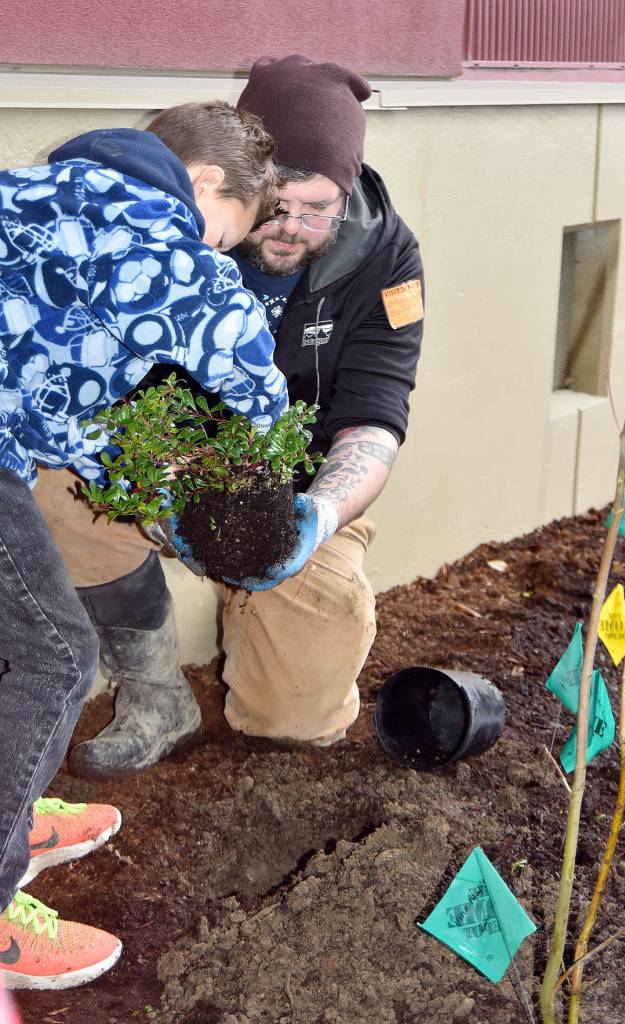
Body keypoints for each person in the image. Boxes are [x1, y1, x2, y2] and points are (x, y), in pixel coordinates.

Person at [33, 53, 425, 775]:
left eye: (320, 210)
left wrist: (316, 518)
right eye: (279, 205)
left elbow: (375, 418)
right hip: (164, 457)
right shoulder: (179, 229)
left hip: (299, 486)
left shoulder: (385, 259)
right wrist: (160, 483)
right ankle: (156, 697)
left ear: (349, 192)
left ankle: (264, 634)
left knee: (294, 719)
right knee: (62, 494)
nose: (292, 228)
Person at [0, 101, 288, 989]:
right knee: (54, 657)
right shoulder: (135, 211)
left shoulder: (44, 198)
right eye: (222, 233)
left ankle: (10, 810)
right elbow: (223, 331)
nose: (214, 252)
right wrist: (264, 444)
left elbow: (44, 401)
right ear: (201, 183)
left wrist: (154, 490)